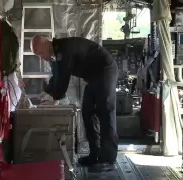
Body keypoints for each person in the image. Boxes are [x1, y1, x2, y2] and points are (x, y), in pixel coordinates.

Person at [30, 36, 119, 172]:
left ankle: (108, 160)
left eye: (41, 53)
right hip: (93, 76)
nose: (41, 57)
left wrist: (54, 97)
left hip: (105, 70)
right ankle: (95, 155)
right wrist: (45, 93)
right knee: (87, 112)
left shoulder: (64, 49)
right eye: (38, 55)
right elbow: (56, 77)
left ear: (47, 43)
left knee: (105, 113)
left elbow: (63, 80)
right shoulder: (56, 54)